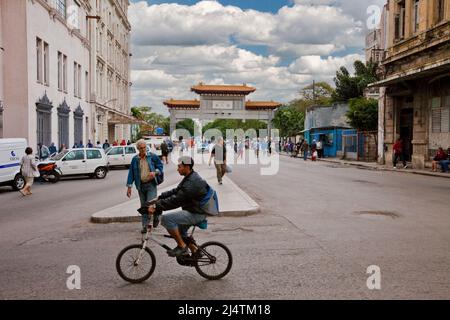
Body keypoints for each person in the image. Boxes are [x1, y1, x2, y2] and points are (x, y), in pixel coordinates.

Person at [147, 156, 208, 257]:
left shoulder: (192, 182)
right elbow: (176, 191)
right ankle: (196, 252)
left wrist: (157, 207)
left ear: (187, 167)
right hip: (194, 210)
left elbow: (176, 201)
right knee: (179, 231)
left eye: (179, 166)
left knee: (166, 219)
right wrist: (160, 197)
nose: (177, 169)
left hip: (197, 213)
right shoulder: (190, 177)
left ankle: (182, 247)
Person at [127, 139, 164, 230]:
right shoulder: (135, 159)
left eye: (144, 147)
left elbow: (160, 166)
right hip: (140, 185)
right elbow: (131, 173)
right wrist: (129, 187)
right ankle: (145, 226)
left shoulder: (152, 156)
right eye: (141, 148)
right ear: (138, 149)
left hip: (151, 184)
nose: (143, 149)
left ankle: (157, 215)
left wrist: (155, 172)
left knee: (150, 205)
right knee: (143, 207)